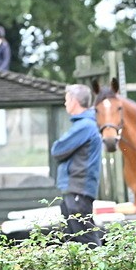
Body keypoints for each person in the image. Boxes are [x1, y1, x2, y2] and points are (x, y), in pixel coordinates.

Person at [51, 84, 103, 246]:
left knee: (85, 238)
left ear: (74, 101)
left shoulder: (85, 126)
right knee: (73, 240)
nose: (65, 104)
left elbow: (57, 150)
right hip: (74, 190)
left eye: (66, 99)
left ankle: (103, 269)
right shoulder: (84, 124)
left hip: (78, 189)